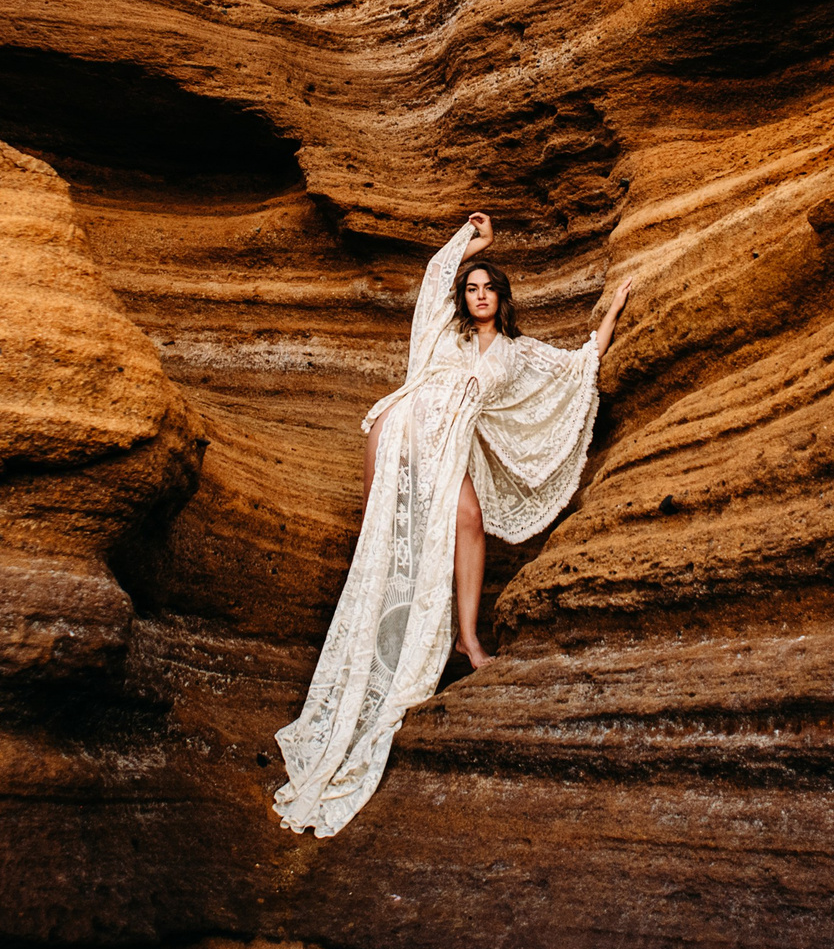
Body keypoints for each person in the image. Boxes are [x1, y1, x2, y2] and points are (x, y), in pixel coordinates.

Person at [273, 211, 637, 837]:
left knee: (469, 518)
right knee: (387, 540)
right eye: (471, 288)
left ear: (502, 297)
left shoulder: (518, 354)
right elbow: (437, 273)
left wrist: (613, 314)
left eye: (488, 287)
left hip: (450, 446)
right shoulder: (444, 327)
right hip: (406, 430)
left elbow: (578, 366)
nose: (478, 295)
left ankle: (467, 641)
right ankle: (378, 650)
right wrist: (477, 241)